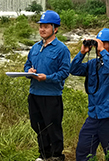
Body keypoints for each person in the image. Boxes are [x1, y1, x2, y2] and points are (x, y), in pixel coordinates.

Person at [70, 28, 109, 161]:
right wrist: (82, 52)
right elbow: (74, 70)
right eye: (98, 43)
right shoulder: (93, 64)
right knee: (83, 151)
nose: (98, 47)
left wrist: (103, 51)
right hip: (93, 116)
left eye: (103, 43)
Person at [24, 10, 71, 161]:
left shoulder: (61, 49)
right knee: (38, 126)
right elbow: (26, 66)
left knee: (53, 128)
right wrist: (29, 71)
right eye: (40, 26)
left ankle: (56, 155)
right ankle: (44, 155)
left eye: (46, 26)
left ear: (55, 28)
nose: (42, 29)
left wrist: (47, 78)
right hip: (34, 94)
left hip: (51, 96)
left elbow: (64, 73)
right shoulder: (35, 48)